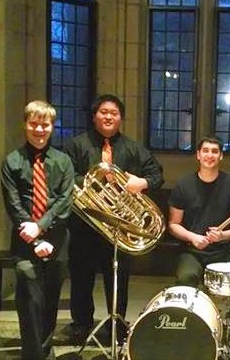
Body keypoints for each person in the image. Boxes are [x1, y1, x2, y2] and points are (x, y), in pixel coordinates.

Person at [62, 93, 164, 345]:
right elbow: (66, 177)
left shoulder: (133, 148)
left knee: (117, 276)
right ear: (94, 116)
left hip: (119, 227)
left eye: (114, 113)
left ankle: (117, 323)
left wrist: (142, 182)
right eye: (103, 112)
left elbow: (156, 174)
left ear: (121, 118)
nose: (109, 116)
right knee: (81, 277)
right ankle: (81, 324)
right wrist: (94, 185)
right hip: (85, 223)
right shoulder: (76, 145)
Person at [167, 136, 230, 350]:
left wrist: (222, 236)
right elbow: (173, 225)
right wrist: (194, 238)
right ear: (198, 155)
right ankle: (184, 331)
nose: (210, 155)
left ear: (221, 156)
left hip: (226, 250)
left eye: (214, 151)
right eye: (205, 151)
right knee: (186, 277)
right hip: (193, 251)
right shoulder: (184, 185)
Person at [1, 100, 75, 360]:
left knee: (51, 299)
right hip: (23, 240)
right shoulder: (12, 161)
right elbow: (13, 203)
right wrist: (34, 237)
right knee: (30, 301)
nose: (40, 129)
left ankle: (45, 353)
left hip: (57, 239)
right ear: (25, 124)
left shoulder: (63, 161)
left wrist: (42, 229)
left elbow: (63, 202)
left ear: (52, 127)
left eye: (45, 124)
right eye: (34, 123)